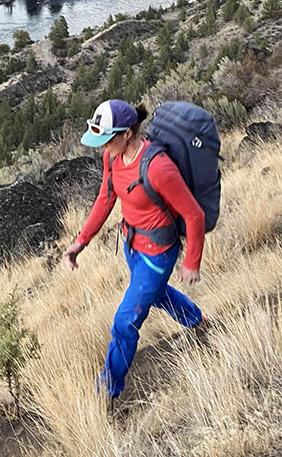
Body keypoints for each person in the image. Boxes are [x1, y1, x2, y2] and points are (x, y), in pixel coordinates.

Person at [63, 99, 208, 401]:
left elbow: (194, 215)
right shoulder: (112, 158)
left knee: (125, 321)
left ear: (128, 133)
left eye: (107, 138)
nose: (102, 146)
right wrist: (80, 242)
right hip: (131, 245)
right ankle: (197, 323)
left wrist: (192, 261)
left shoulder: (158, 168)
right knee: (155, 294)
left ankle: (107, 390)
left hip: (158, 254)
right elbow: (106, 199)